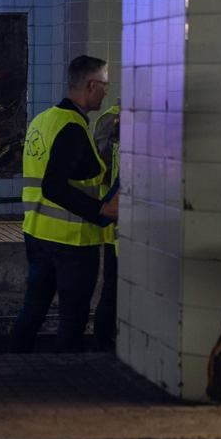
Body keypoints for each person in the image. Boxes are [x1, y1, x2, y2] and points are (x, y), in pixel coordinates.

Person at [11, 55, 118, 352]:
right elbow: (54, 186)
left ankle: (13, 364)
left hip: (37, 234)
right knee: (72, 318)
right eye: (105, 85)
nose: (106, 92)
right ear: (91, 84)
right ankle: (66, 378)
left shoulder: (43, 120)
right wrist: (102, 210)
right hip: (71, 243)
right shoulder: (72, 128)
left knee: (33, 309)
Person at [92, 100, 121, 351]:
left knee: (114, 288)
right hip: (116, 222)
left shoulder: (109, 120)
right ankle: (103, 345)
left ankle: (106, 343)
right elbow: (100, 169)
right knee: (113, 288)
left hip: (120, 220)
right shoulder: (110, 121)